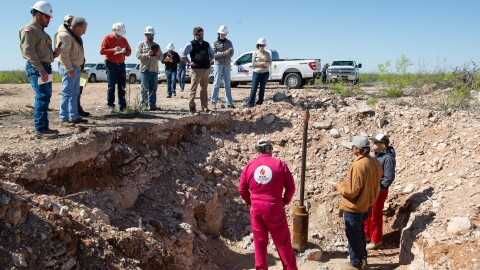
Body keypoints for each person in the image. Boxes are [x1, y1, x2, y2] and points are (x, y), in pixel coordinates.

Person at [238, 138, 298, 270]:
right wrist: (284, 201)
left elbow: (242, 189)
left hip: (256, 210)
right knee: (283, 243)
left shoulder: (249, 166)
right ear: (271, 149)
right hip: (274, 207)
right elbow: (291, 188)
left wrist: (250, 202)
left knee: (259, 244)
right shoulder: (280, 164)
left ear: (257, 150)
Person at [333, 135, 382, 270]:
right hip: (367, 204)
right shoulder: (375, 162)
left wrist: (338, 186)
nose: (351, 149)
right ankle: (363, 257)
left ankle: (356, 263)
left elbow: (351, 191)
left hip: (354, 207)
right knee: (360, 232)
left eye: (353, 147)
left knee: (353, 235)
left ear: (358, 150)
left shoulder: (358, 165)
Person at [19, 1, 61, 138]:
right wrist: (41, 70)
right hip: (38, 68)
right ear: (38, 14)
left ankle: (44, 127)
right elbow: (28, 52)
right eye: (47, 17)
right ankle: (41, 129)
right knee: (42, 96)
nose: (49, 20)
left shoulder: (44, 34)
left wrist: (55, 54)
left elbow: (44, 54)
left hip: (46, 68)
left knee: (46, 97)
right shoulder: (29, 30)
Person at [364, 133, 396, 250]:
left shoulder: (388, 158)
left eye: (376, 143)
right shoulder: (378, 156)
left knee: (375, 214)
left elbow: (388, 177)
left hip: (379, 190)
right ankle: (367, 235)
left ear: (383, 145)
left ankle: (376, 240)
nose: (373, 144)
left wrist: (379, 189)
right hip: (373, 189)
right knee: (368, 212)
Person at [57, 17, 88, 125]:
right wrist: (69, 70)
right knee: (67, 93)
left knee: (74, 93)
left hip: (76, 68)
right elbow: (63, 55)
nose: (85, 32)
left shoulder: (73, 36)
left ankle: (74, 116)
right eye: (84, 29)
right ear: (78, 28)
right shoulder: (65, 36)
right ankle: (64, 118)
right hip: (70, 68)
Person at [181, 27, 214, 114]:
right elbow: (183, 54)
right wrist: (189, 62)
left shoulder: (206, 44)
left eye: (202, 34)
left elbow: (212, 54)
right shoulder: (191, 44)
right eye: (199, 35)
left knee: (204, 90)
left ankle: (205, 107)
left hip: (206, 70)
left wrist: (208, 61)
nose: (201, 36)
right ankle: (192, 107)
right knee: (193, 89)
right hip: (196, 70)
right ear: (195, 35)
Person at [100, 22, 131, 113]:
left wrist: (124, 51)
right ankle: (110, 106)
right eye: (118, 33)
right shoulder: (107, 38)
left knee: (122, 86)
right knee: (111, 86)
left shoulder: (124, 40)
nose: (119, 36)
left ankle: (122, 106)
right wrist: (113, 50)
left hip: (121, 64)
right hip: (111, 65)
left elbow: (129, 52)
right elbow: (102, 51)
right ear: (114, 30)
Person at [136, 26, 162, 111]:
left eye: (153, 34)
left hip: (154, 70)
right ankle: (144, 105)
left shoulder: (156, 45)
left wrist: (158, 55)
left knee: (153, 90)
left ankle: (152, 105)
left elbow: (161, 58)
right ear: (146, 35)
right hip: (145, 70)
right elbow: (138, 56)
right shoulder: (141, 44)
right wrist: (147, 54)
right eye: (150, 34)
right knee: (144, 89)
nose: (152, 36)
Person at [210, 25, 235, 110]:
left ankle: (229, 102)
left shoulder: (229, 42)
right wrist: (225, 53)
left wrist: (227, 54)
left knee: (227, 84)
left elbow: (232, 53)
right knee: (216, 83)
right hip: (218, 64)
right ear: (219, 33)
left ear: (226, 34)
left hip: (227, 64)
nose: (222, 35)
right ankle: (213, 101)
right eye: (221, 33)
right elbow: (214, 54)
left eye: (224, 34)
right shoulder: (215, 43)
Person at [247, 38, 271, 108]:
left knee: (262, 88)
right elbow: (254, 63)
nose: (261, 47)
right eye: (260, 45)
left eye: (263, 45)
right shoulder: (255, 53)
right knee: (254, 88)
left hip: (265, 73)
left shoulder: (267, 53)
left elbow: (270, 63)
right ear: (258, 46)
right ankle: (250, 103)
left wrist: (266, 64)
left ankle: (260, 102)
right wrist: (262, 63)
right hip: (257, 73)